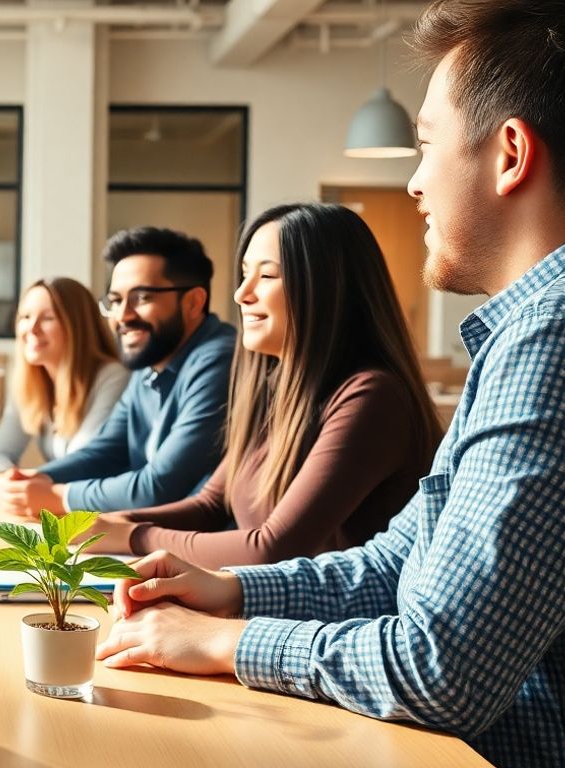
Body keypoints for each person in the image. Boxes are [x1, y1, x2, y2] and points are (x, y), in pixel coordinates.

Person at [96, 3, 565, 765]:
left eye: (424, 147)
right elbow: (394, 563)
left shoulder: (549, 341)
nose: (413, 185)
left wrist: (228, 640)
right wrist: (232, 593)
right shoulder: (515, 338)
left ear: (509, 154)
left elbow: (440, 672)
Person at [81, 204, 440, 567]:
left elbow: (272, 547)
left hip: (336, 621)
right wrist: (112, 524)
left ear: (327, 287)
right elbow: (209, 506)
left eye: (267, 276)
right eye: (243, 274)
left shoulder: (372, 398)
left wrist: (134, 536)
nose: (241, 294)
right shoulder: (272, 388)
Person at [0, 227, 235, 517]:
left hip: (198, 548)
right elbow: (106, 451)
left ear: (194, 302)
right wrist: (37, 480)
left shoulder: (219, 359)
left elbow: (161, 486)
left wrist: (59, 496)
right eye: (116, 301)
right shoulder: (148, 363)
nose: (122, 316)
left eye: (142, 297)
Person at [0, 278, 129, 487]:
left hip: (100, 510)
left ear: (78, 327)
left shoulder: (113, 376)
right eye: (25, 317)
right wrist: (1, 481)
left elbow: (86, 461)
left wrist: (27, 481)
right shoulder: (29, 384)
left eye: (48, 318)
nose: (32, 328)